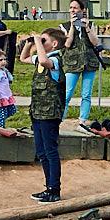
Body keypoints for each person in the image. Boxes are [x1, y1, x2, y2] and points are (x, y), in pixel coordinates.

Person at [24, 26, 67, 202]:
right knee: (41, 152)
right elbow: (24, 58)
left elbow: (43, 61)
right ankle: (48, 187)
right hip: (37, 112)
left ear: (54, 44)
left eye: (45, 40)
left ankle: (54, 189)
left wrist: (37, 41)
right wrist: (29, 43)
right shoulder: (42, 57)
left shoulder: (55, 60)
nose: (41, 43)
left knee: (50, 152)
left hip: (50, 114)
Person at [62, 0, 102, 123]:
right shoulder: (64, 26)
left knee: (86, 94)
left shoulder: (91, 25)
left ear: (82, 10)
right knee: (67, 94)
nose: (72, 10)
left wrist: (87, 27)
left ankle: (82, 120)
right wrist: (73, 27)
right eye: (71, 8)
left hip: (89, 62)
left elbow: (95, 42)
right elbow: (67, 44)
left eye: (75, 8)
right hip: (72, 63)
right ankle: (59, 120)